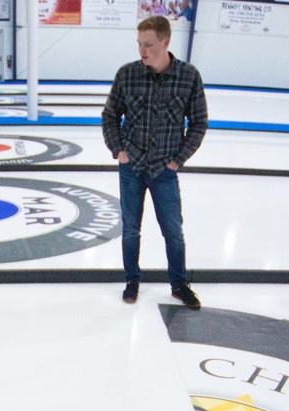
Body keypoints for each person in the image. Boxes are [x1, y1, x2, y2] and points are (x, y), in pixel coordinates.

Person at [101, 16, 208, 308]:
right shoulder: (127, 74)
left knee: (173, 231)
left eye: (148, 44)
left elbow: (198, 123)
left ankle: (179, 284)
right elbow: (110, 116)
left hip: (164, 170)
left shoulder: (188, 77)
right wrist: (119, 151)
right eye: (139, 44)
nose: (142, 50)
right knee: (131, 229)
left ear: (166, 42)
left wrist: (177, 160)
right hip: (131, 167)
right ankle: (132, 281)